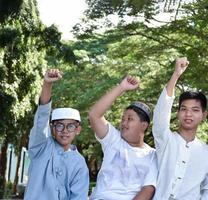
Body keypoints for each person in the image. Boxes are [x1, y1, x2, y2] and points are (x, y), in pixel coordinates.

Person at [152, 57, 208, 200]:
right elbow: (161, 113)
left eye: (195, 110)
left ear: (203, 115)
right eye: (184, 109)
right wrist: (176, 75)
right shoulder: (166, 140)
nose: (188, 114)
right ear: (178, 113)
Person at [88, 75, 157, 200]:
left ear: (144, 125)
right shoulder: (113, 140)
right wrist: (121, 87)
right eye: (123, 119)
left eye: (130, 119)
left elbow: (148, 189)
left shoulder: (152, 155)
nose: (124, 123)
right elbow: (94, 115)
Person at [24, 69, 89, 200]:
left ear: (78, 129)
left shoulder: (79, 163)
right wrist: (47, 84)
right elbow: (42, 117)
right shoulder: (40, 147)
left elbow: (78, 197)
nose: (64, 130)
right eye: (59, 125)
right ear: (52, 129)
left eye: (70, 126)